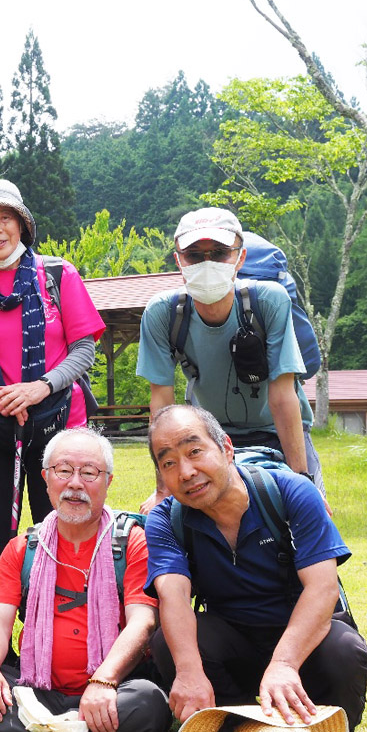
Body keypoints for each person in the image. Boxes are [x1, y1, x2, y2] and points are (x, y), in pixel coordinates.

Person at [0, 427, 171, 732]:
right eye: (63, 470)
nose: (75, 484)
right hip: (37, 686)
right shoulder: (23, 548)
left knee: (150, 704)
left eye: (89, 473)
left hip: (109, 690)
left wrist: (104, 680)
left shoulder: (132, 542)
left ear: (107, 481)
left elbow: (143, 623)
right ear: (45, 479)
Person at [144, 404, 367, 732]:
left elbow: (322, 588)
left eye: (195, 451)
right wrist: (188, 672)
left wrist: (283, 664)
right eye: (168, 463)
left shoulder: (290, 492)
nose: (186, 472)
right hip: (233, 643)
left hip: (301, 641)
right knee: (172, 644)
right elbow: (174, 596)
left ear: (227, 448)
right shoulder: (166, 520)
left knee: (345, 650)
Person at [0, 178, 105, 625]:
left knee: (66, 529)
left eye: (5, 218)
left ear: (22, 225)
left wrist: (40, 386)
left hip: (61, 427)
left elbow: (83, 349)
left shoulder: (58, 275)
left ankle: (68, 636)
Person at [137, 207, 320, 508]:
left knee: (307, 517)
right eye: (194, 254)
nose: (206, 263)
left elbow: (283, 395)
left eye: (219, 252)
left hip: (276, 430)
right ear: (179, 261)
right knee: (196, 525)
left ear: (240, 257)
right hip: (208, 440)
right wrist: (162, 488)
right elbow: (162, 406)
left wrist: (302, 478)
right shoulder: (164, 313)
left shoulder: (270, 301)